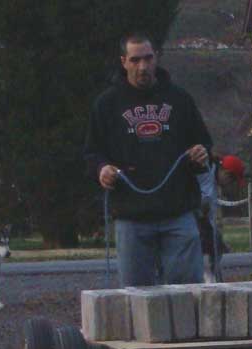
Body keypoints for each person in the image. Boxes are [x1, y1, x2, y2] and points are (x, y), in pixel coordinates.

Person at [84, 32, 212, 287]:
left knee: (187, 294)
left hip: (178, 212)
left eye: (148, 58)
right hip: (131, 216)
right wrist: (101, 169)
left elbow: (204, 142)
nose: (142, 66)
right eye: (135, 60)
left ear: (157, 58)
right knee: (136, 298)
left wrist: (201, 154)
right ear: (123, 61)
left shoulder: (179, 99)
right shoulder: (106, 104)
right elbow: (91, 152)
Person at [196, 154, 245, 282]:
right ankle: (208, 278)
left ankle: (213, 277)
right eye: (232, 180)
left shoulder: (213, 179)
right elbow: (202, 207)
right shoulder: (206, 174)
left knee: (216, 239)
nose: (230, 184)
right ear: (226, 173)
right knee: (210, 244)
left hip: (202, 221)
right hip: (192, 219)